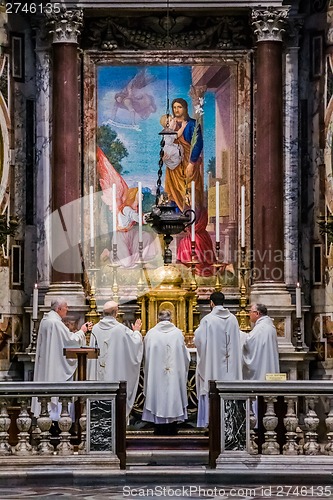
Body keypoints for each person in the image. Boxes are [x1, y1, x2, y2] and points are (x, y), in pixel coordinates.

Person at [162, 98, 215, 276]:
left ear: (184, 108)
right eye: (174, 107)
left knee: (192, 196)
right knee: (175, 195)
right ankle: (178, 218)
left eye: (179, 107)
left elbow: (197, 143)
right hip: (174, 167)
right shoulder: (171, 124)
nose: (177, 110)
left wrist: (192, 162)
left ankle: (192, 223)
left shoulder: (192, 124)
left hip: (188, 165)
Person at [31, 298, 91, 421]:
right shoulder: (56, 323)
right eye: (66, 307)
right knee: (57, 397)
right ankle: (58, 422)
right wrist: (82, 331)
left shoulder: (46, 320)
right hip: (55, 369)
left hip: (48, 365)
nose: (67, 309)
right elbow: (71, 341)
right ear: (59, 309)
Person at [194, 291, 242, 428]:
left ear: (211, 303)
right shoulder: (233, 319)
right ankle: (231, 421)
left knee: (211, 384)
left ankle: (212, 422)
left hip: (213, 366)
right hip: (230, 367)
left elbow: (199, 341)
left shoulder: (208, 320)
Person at [88, 301, 143, 418]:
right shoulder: (120, 329)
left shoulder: (95, 329)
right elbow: (135, 343)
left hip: (99, 376)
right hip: (115, 375)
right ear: (116, 313)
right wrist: (137, 331)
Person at [142, 309, 190, 434]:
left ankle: (158, 426)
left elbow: (145, 356)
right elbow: (185, 356)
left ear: (158, 319)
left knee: (157, 392)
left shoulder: (151, 334)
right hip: (173, 376)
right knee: (173, 392)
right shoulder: (178, 333)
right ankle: (172, 425)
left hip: (156, 375)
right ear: (171, 318)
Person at [100, 185, 162, 268]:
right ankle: (109, 253)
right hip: (121, 236)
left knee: (146, 236)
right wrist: (148, 217)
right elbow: (137, 217)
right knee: (127, 263)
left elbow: (140, 216)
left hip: (131, 233)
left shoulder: (134, 208)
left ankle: (141, 261)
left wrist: (149, 216)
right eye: (139, 195)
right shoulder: (126, 209)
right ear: (133, 196)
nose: (142, 197)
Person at [242, 303, 280, 380]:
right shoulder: (269, 325)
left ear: (257, 313)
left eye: (250, 311)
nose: (249, 314)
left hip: (261, 369)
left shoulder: (260, 328)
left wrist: (238, 334)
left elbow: (248, 342)